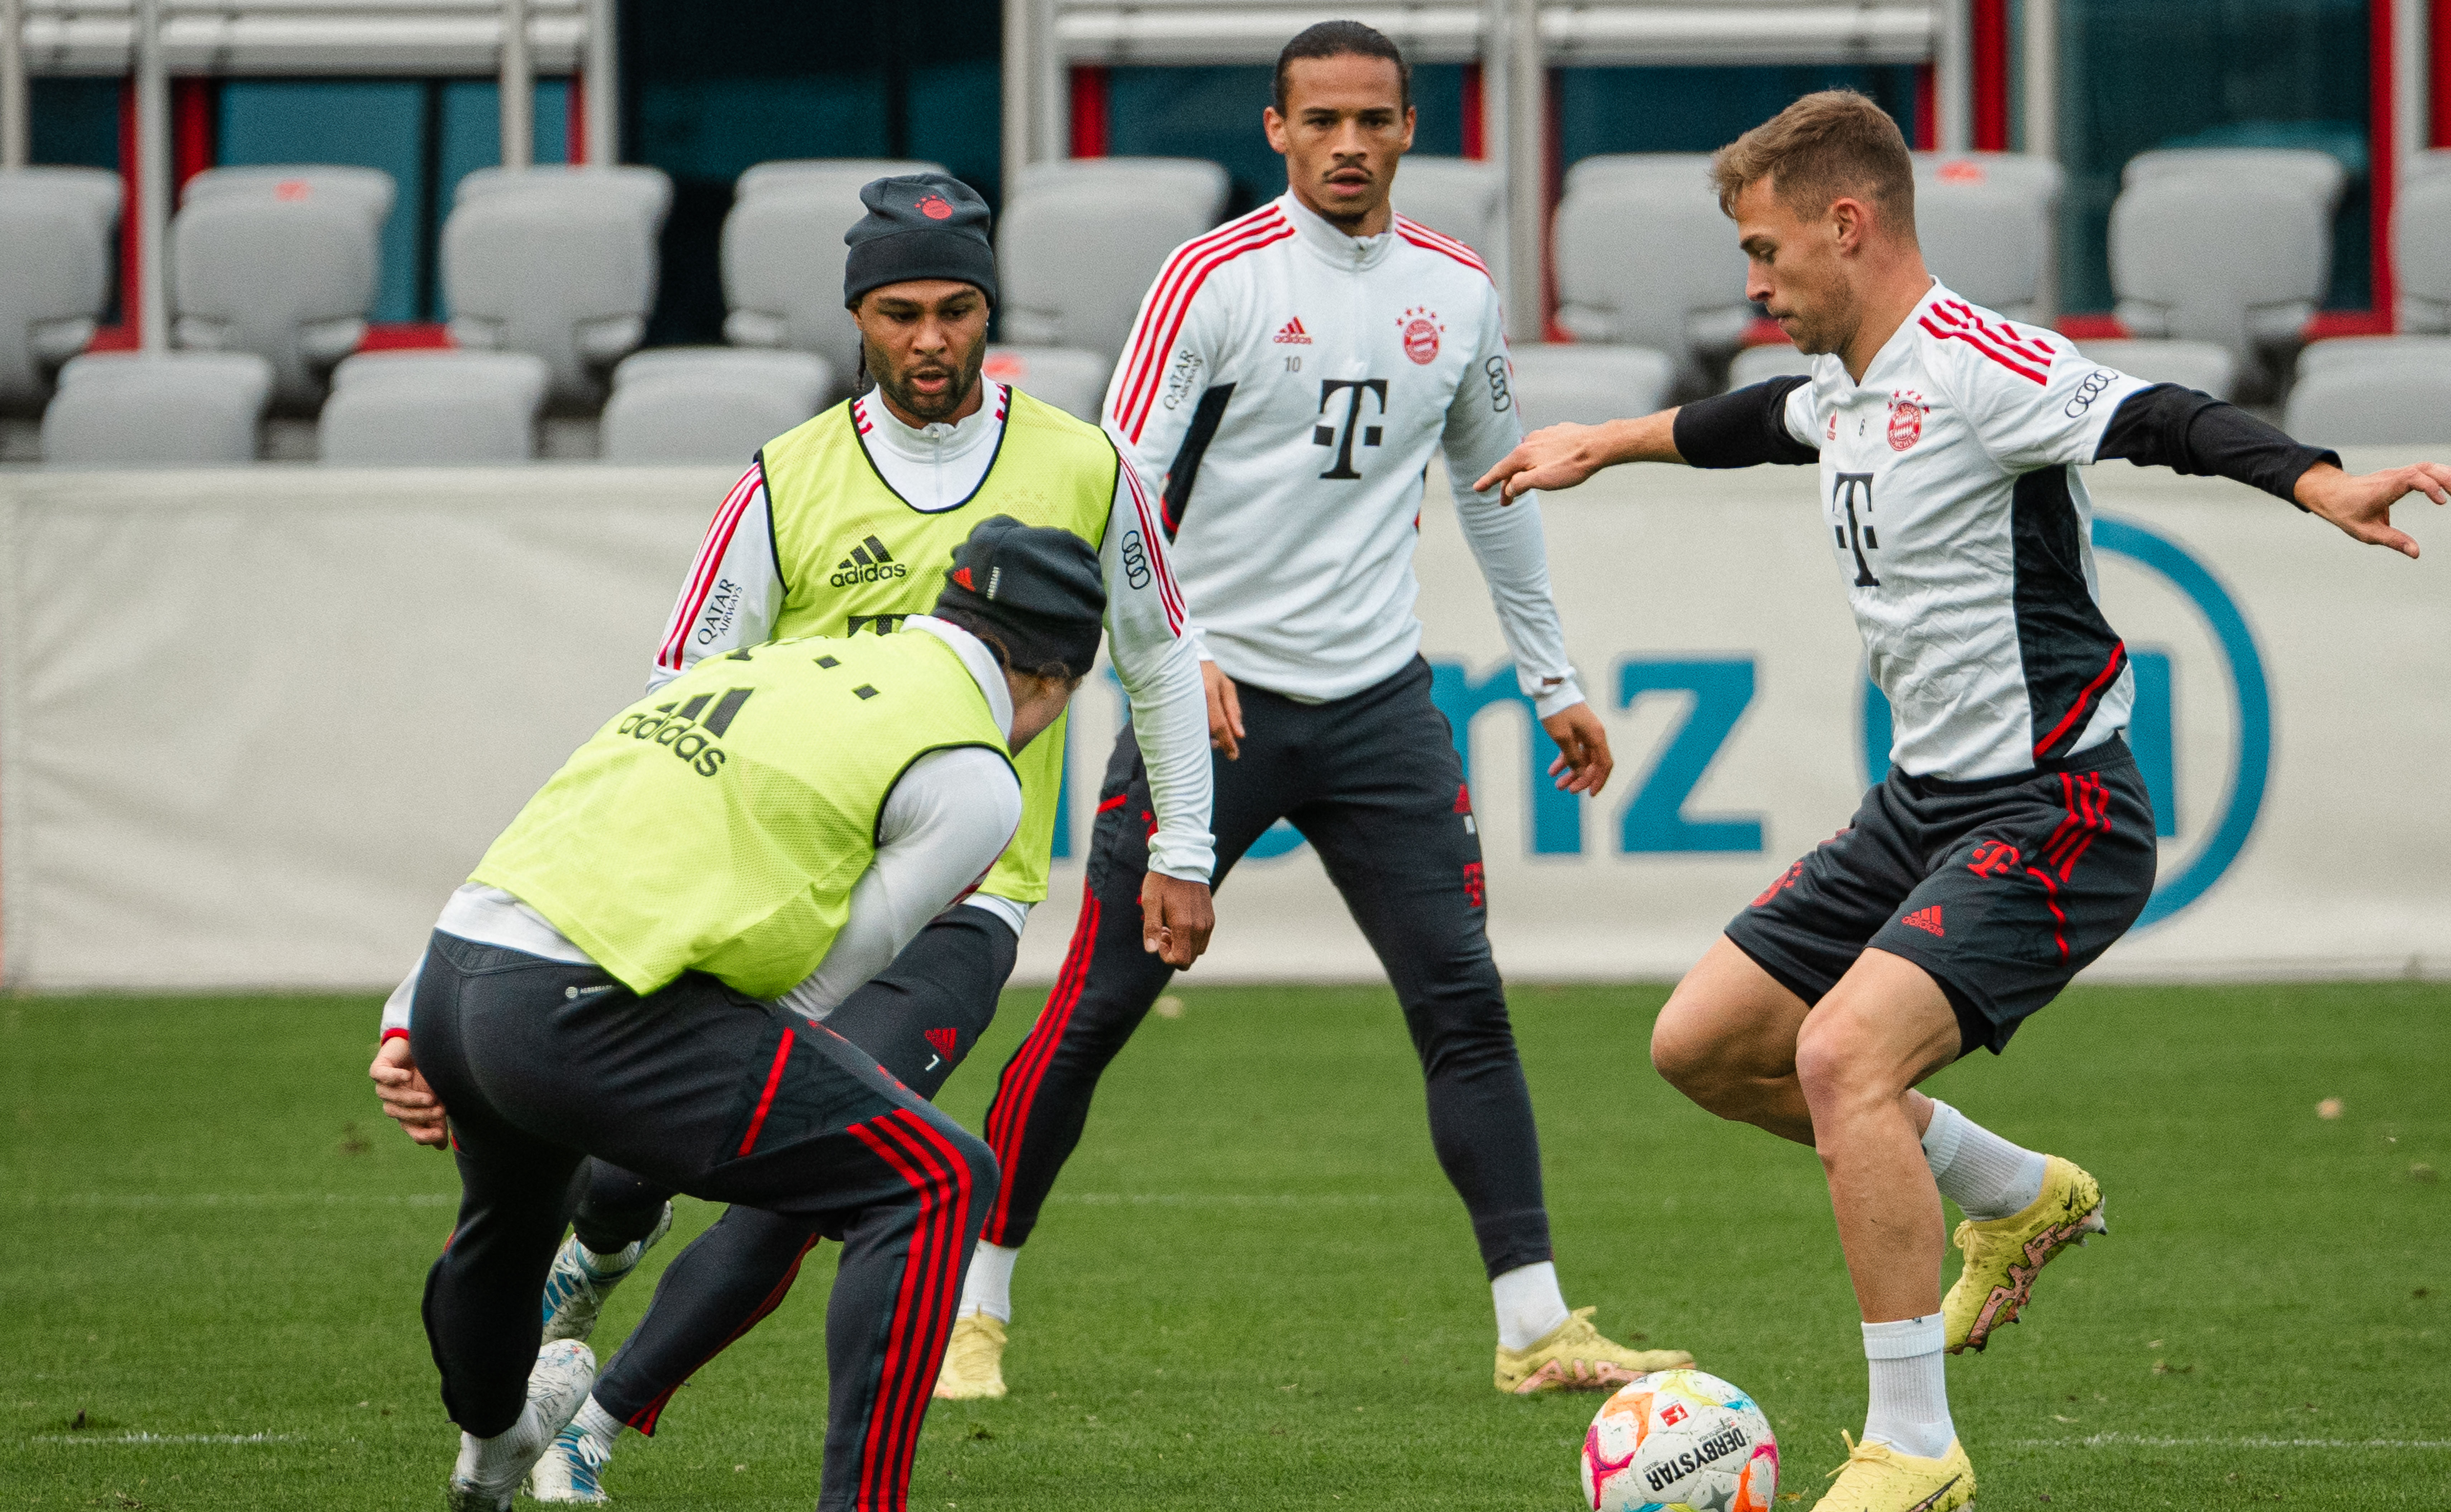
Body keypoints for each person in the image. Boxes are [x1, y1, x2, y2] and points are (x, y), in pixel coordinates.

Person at [1473, 92, 2451, 1511]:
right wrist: (1609, 440)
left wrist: (2320, 479)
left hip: (2059, 804)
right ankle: (2013, 1190)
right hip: (1923, 804)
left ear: (1850, 223)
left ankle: (1915, 1448)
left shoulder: (1984, 363)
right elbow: (1763, 421)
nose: (1753, 286)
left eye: (1766, 252)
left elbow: (2162, 418)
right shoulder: (1848, 382)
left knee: (1841, 1061)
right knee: (1703, 1043)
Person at [936, 20, 1691, 1403]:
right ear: (1276, 133)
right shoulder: (1210, 280)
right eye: (1322, 122)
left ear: (1411, 131)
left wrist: (1552, 678)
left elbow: (1490, 487)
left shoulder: (1455, 290)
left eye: (1375, 121)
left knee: (1463, 1001)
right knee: (1100, 1007)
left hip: (1378, 705)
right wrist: (1183, 651)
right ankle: (973, 1304)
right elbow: (1118, 493)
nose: (1349, 144)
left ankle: (1534, 1326)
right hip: (1209, 704)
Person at [435, 172, 1213, 1503]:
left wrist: (1183, 851)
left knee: (855, 1152)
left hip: (962, 896)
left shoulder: (1086, 465)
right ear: (859, 316)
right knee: (644, 1157)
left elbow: (1162, 654)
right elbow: (679, 684)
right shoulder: (788, 479)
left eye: (956, 310)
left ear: (988, 312)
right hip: (771, 882)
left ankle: (594, 1425)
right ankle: (608, 1234)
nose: (930, 339)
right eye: (900, 312)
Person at [367, 518, 1115, 1512]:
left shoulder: (785, 659)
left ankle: (494, 1452)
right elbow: (817, 994)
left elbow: (565, 805)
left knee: (507, 1228)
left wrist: (409, 1012)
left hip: (464, 970)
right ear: (1057, 685)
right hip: (585, 1013)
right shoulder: (977, 770)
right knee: (936, 1177)